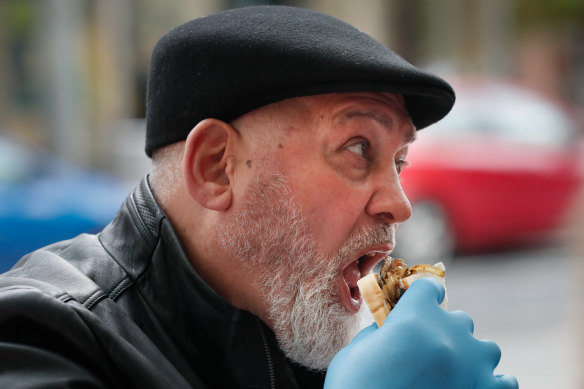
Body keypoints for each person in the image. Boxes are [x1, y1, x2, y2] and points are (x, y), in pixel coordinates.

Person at [0, 6, 518, 389]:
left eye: (399, 162)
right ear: (215, 168)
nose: (400, 204)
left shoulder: (308, 327)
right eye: (359, 148)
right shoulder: (36, 340)